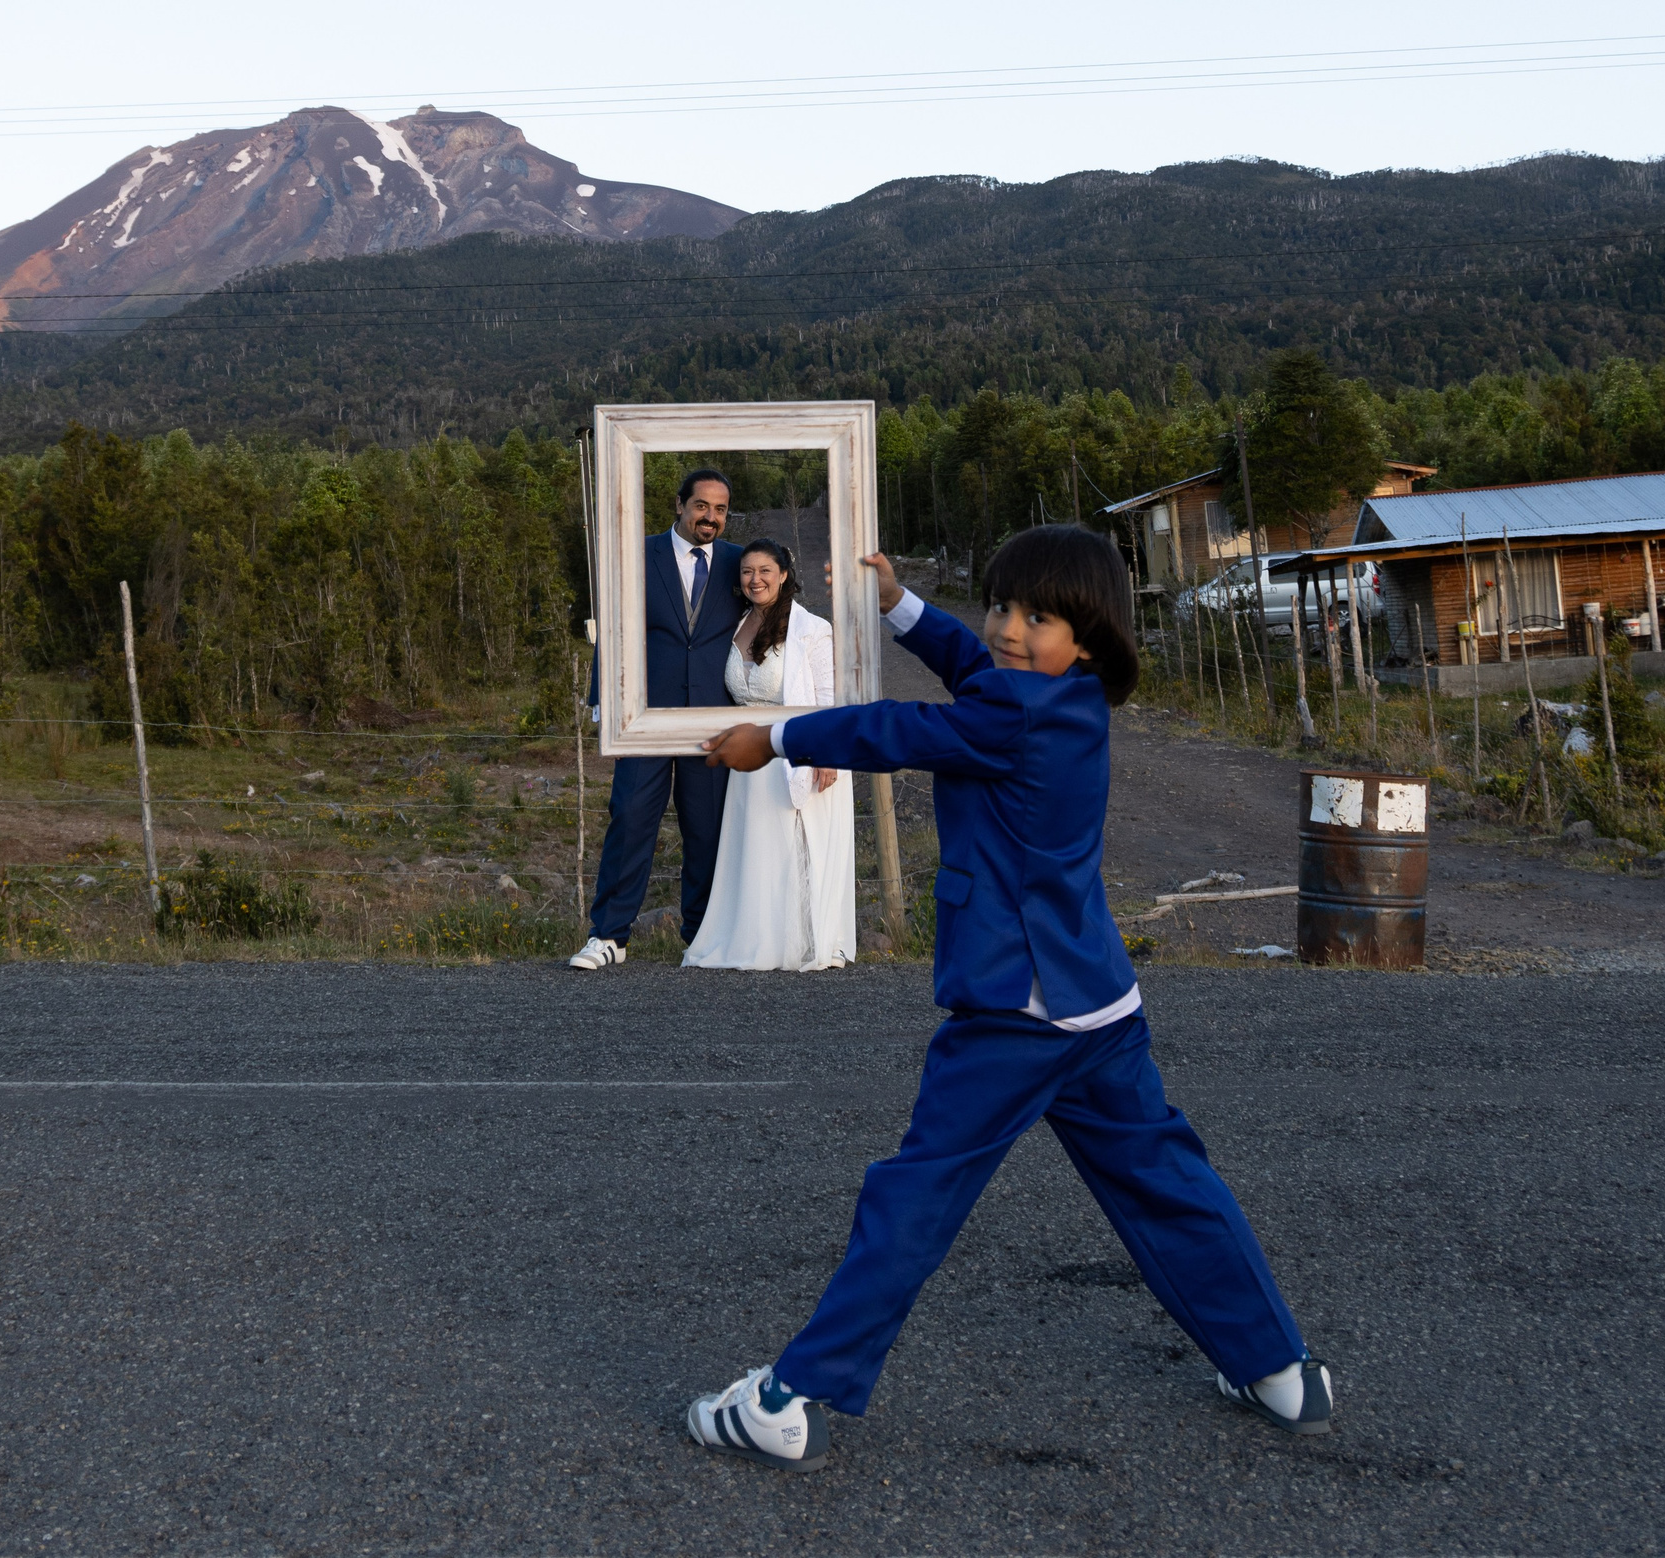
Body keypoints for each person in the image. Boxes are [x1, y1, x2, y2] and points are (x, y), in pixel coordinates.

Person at [681, 526, 1329, 1472]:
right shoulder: (1068, 697)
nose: (1008, 629)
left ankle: (790, 1397)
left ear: (1091, 638)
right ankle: (1278, 1369)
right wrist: (903, 607)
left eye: (1038, 617)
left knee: (913, 1195)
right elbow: (980, 671)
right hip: (1096, 1004)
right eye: (1000, 606)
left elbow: (898, 730)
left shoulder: (1013, 717)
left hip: (1015, 1013)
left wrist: (773, 736)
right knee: (1168, 1184)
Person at [568, 469, 745, 969]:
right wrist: (602, 698)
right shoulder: (637, 553)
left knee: (707, 829)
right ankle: (609, 936)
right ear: (679, 504)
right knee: (630, 818)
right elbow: (614, 624)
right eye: (701, 505)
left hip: (713, 719)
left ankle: (702, 939)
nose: (710, 517)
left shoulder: (738, 563)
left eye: (720, 509)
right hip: (644, 715)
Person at [682, 538, 855, 972]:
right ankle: (761, 939)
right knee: (758, 849)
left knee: (803, 843)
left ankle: (814, 940)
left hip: (800, 748)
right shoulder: (736, 624)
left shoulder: (811, 629)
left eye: (764, 571)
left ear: (783, 575)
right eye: (747, 571)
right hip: (748, 759)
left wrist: (826, 754)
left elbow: (830, 697)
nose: (755, 579)